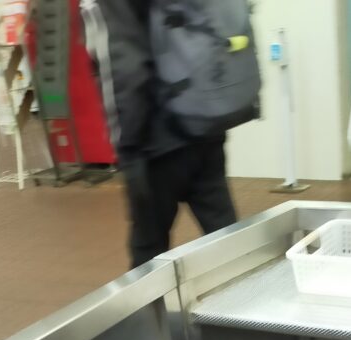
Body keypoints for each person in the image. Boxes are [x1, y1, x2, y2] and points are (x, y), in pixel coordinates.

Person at [82, 0, 242, 268]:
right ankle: (246, 292)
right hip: (205, 123)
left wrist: (128, 147)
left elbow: (121, 69)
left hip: (155, 143)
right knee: (228, 242)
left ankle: (150, 299)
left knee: (148, 255)